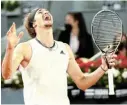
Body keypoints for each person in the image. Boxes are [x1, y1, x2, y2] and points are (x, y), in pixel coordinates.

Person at [2, 8, 117, 105]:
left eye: (47, 11)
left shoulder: (65, 48)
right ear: (34, 24)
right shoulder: (24, 48)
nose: (46, 13)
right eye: (40, 12)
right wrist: (10, 48)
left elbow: (82, 82)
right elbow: (7, 75)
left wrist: (102, 68)